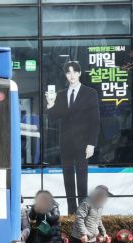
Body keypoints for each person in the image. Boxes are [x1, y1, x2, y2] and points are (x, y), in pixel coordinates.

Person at [46, 61, 101, 215]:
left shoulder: (90, 93)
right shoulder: (61, 94)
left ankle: (83, 212)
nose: (71, 75)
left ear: (79, 73)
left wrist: (92, 143)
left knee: (82, 179)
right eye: (68, 73)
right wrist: (50, 104)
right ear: (65, 75)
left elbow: (95, 121)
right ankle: (71, 212)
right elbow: (53, 117)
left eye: (74, 72)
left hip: (83, 143)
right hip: (65, 144)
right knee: (68, 178)